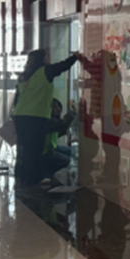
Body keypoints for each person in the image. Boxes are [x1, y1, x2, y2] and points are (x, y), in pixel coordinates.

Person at [13, 49, 83, 187]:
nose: (48, 60)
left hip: (20, 116)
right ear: (42, 59)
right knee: (35, 148)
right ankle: (34, 178)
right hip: (35, 116)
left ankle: (21, 176)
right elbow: (62, 66)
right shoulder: (44, 72)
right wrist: (75, 57)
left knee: (23, 148)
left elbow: (17, 98)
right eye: (46, 57)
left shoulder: (23, 76)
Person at [40, 99, 76, 182]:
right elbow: (62, 124)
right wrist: (72, 113)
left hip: (50, 147)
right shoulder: (48, 121)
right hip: (44, 151)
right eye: (55, 107)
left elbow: (57, 133)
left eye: (59, 106)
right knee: (65, 160)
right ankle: (46, 172)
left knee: (69, 151)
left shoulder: (53, 119)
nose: (58, 109)